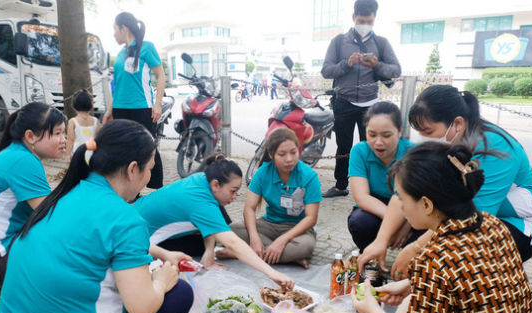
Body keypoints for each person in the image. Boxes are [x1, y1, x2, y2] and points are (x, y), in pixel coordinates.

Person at [314, 142, 532, 313]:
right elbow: (465, 282)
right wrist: (408, 285)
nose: (400, 208)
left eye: (402, 199)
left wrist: (373, 311)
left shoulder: (434, 258)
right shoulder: (492, 224)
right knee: (409, 302)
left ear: (427, 205)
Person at [0, 120, 194, 313]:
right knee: (181, 293)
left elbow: (97, 240)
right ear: (133, 169)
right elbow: (143, 309)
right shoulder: (126, 219)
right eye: (150, 169)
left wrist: (160, 253)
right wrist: (161, 281)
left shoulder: (64, 194)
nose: (150, 178)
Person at [359, 85, 532, 278]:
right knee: (430, 241)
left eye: (428, 131)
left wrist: (415, 248)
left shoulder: (495, 147)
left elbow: (473, 217)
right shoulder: (445, 144)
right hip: (465, 217)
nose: (423, 139)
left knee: (454, 253)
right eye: (419, 132)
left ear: (457, 123)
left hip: (515, 225)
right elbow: (404, 191)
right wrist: (381, 241)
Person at [133, 154, 295, 289]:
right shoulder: (201, 203)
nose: (235, 197)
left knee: (214, 228)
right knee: (214, 240)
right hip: (140, 239)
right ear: (216, 184)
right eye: (233, 191)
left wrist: (209, 251)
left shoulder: (203, 179)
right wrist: (271, 273)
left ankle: (216, 249)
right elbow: (233, 242)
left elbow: (210, 217)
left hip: (138, 214)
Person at [0, 103, 66, 292]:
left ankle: (8, 283)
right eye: (57, 133)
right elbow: (55, 217)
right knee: (66, 239)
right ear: (30, 136)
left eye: (63, 133)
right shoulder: (24, 161)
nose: (63, 140)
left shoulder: (12, 153)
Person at [320, 0, 401, 198]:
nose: (365, 24)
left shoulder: (381, 42)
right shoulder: (339, 41)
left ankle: (374, 187)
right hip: (344, 102)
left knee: (373, 146)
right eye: (361, 20)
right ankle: (341, 186)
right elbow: (325, 71)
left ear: (374, 19)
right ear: (353, 17)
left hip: (371, 105)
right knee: (344, 146)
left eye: (370, 21)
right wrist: (345, 64)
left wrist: (377, 65)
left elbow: (396, 70)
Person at [220, 128, 322, 269]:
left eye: (293, 152)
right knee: (231, 230)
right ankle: (285, 258)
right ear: (271, 155)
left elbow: (311, 218)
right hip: (270, 224)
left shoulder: (309, 176)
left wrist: (282, 240)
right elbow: (249, 208)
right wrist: (254, 237)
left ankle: (245, 252)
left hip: (298, 229)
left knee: (305, 247)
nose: (289, 159)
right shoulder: (263, 172)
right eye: (282, 154)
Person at [103, 12, 165, 189]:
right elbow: (119, 85)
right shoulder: (122, 53)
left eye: (115, 29)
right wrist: (110, 110)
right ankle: (131, 189)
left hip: (141, 107)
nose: (114, 33)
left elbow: (160, 76)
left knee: (149, 148)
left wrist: (158, 104)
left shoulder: (146, 47)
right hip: (120, 109)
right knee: (125, 150)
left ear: (124, 28)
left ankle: (156, 189)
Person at [348, 102, 418, 252]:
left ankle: (415, 262)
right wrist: (393, 222)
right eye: (372, 135)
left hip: (411, 213)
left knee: (427, 227)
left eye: (386, 135)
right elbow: (361, 197)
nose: (378, 142)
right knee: (360, 222)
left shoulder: (413, 153)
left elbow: (420, 197)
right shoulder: (360, 151)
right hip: (375, 212)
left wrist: (406, 223)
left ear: (399, 131)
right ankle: (369, 255)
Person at [65, 89, 101, 162]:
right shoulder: (95, 121)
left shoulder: (73, 121)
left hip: (78, 153)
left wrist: (68, 154)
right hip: (93, 152)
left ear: (73, 105)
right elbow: (99, 138)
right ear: (91, 105)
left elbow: (70, 139)